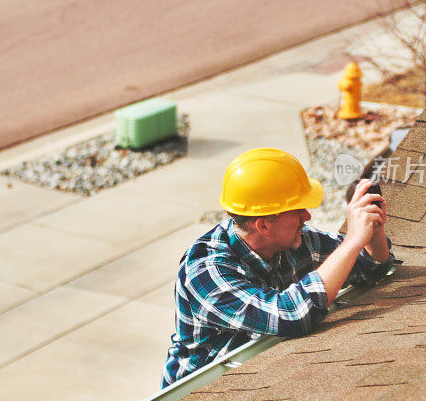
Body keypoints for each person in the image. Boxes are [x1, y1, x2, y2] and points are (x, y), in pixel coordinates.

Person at [161, 147, 394, 388]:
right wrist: (353, 241)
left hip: (257, 373)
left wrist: (373, 231)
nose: (308, 216)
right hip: (196, 397)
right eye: (297, 210)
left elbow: (369, 268)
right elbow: (291, 316)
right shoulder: (205, 271)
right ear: (263, 226)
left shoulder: (297, 240)